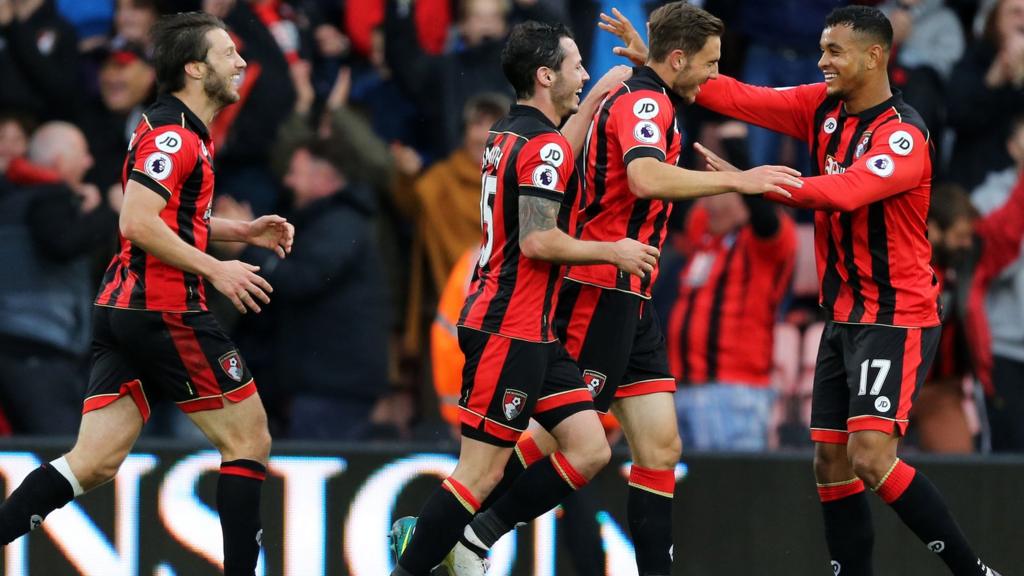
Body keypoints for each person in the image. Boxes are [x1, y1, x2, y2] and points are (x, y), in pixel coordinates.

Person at [605, 5, 1003, 575]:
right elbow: (740, 97)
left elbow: (844, 191)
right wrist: (663, 66)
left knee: (871, 458)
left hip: (895, 316)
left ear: (874, 56)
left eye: (834, 51)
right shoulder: (821, 106)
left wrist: (753, 183)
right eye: (820, 49)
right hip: (842, 315)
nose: (822, 61)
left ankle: (973, 570)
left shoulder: (904, 137)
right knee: (830, 463)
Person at [457, 5, 802, 576]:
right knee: (558, 438)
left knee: (660, 447)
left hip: (629, 292)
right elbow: (644, 175)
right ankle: (462, 530)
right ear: (677, 59)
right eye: (709, 65)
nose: (712, 77)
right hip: (598, 287)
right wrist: (741, 179)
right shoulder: (647, 102)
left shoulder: (651, 95)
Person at [0, 13, 294, 576]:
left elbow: (170, 217)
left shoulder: (177, 129)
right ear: (194, 67)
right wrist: (218, 269)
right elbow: (136, 222)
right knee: (249, 440)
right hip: (166, 311)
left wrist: (241, 230)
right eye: (228, 52)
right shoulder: (172, 135)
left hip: (125, 312)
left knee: (92, 462)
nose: (240, 62)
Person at [389, 20, 659, 576]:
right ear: (545, 75)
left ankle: (472, 540)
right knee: (478, 474)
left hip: (532, 329)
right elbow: (539, 239)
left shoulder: (510, 133)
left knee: (589, 448)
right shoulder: (542, 146)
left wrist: (610, 87)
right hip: (505, 327)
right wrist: (615, 252)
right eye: (575, 65)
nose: (583, 74)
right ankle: (419, 557)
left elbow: (558, 150)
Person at [0, 121, 117, 435]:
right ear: (59, 162)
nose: (90, 162)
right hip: (37, 349)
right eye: (83, 154)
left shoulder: (14, 198)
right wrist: (111, 212)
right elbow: (62, 242)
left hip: (19, 346)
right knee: (63, 451)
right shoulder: (48, 197)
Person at [669, 187, 797, 452]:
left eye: (716, 196)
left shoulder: (765, 241)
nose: (706, 205)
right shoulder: (706, 236)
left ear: (742, 201)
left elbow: (764, 214)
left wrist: (740, 165)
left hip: (733, 392)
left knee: (731, 488)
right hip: (682, 388)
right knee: (684, 491)